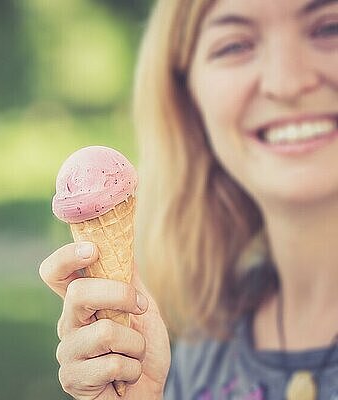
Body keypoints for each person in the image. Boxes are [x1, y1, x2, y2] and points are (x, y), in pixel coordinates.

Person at [39, 0, 338, 398]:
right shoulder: (201, 351)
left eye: (329, 28)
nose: (285, 82)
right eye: (234, 45)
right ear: (186, 97)